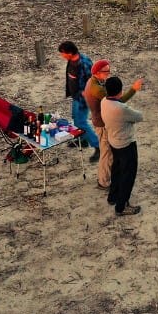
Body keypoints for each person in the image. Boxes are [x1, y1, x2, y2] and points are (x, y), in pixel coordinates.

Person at [83, 59, 143, 191]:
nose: (108, 74)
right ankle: (104, 182)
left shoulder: (92, 82)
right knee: (107, 154)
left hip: (99, 121)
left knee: (107, 153)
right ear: (98, 73)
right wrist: (134, 89)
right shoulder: (98, 90)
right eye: (106, 72)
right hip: (102, 124)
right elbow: (117, 100)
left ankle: (105, 179)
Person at [101, 77, 144, 216]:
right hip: (126, 143)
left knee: (117, 169)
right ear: (120, 91)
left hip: (113, 141)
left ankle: (113, 196)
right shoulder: (121, 109)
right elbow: (139, 116)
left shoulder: (104, 102)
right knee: (128, 175)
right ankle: (121, 206)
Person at [56, 41, 100, 163]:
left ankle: (98, 146)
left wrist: (87, 93)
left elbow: (93, 80)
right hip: (76, 96)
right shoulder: (71, 61)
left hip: (83, 99)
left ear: (70, 53)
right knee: (75, 118)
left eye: (63, 53)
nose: (62, 56)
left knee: (81, 122)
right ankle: (83, 139)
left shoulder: (84, 63)